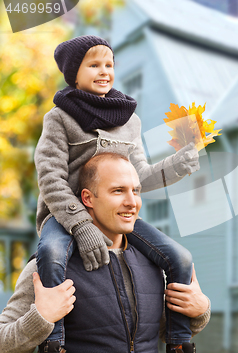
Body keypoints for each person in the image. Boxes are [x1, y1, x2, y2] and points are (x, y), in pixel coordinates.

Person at [34, 35, 201, 352]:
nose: (104, 71)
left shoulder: (130, 121)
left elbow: (139, 175)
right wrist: (80, 225)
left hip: (113, 215)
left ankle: (179, 341)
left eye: (109, 64)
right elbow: (50, 177)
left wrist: (178, 165)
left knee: (180, 258)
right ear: (74, 73)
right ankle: (53, 343)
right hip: (65, 214)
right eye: (94, 64)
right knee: (52, 254)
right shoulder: (59, 118)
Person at [0, 153, 210, 353]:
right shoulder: (51, 265)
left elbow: (163, 331)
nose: (132, 202)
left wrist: (200, 310)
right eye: (118, 191)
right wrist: (41, 317)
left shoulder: (153, 261)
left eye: (135, 191)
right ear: (88, 198)